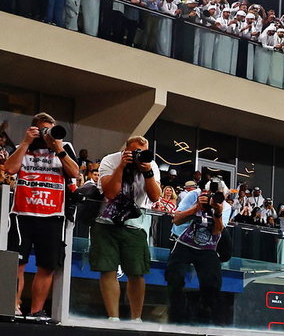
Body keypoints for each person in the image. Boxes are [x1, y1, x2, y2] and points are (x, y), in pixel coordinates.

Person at [2, 113, 78, 318]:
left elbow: (75, 173)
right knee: (17, 263)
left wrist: (58, 149)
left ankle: (37, 311)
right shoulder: (23, 146)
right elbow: (9, 168)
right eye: (44, 130)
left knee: (47, 266)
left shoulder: (64, 147)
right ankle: (12, 307)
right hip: (22, 214)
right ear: (34, 129)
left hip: (53, 215)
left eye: (50, 130)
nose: (48, 134)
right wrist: (26, 142)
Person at [92, 135, 161, 320]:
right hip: (106, 222)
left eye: (143, 152)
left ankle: (136, 318)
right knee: (108, 269)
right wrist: (121, 166)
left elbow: (155, 197)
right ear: (126, 150)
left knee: (137, 272)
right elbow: (110, 192)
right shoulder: (110, 160)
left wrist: (148, 172)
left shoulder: (150, 165)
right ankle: (113, 317)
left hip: (136, 225)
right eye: (135, 152)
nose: (139, 155)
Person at [166, 178, 232, 325]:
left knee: (212, 283)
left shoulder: (225, 206)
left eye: (218, 194)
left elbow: (217, 231)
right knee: (174, 276)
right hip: (184, 240)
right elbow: (176, 220)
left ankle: (205, 316)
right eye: (210, 193)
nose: (213, 197)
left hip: (208, 246)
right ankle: (176, 315)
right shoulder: (193, 195)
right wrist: (196, 208)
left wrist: (218, 213)